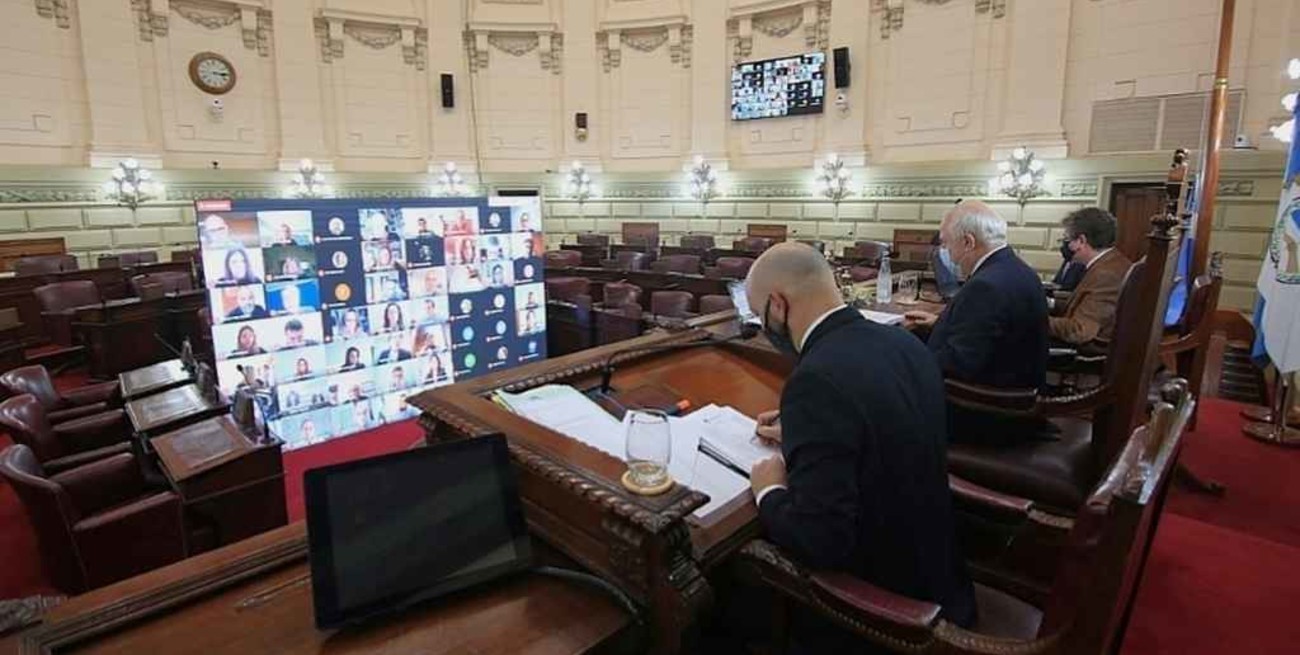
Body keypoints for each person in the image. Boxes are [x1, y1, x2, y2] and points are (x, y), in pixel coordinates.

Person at [744, 242, 975, 654]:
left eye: (760, 317)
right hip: (942, 571)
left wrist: (769, 489)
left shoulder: (816, 379)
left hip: (885, 611)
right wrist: (803, 430)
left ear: (777, 305)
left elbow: (819, 539)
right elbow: (884, 425)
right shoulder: (904, 343)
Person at [903, 200, 1048, 391]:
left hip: (983, 405)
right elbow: (986, 334)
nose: (946, 253)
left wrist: (903, 353)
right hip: (1015, 389)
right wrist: (938, 323)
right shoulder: (1016, 269)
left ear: (968, 242)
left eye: (946, 244)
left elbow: (957, 363)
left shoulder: (985, 286)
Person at [1049, 207, 1132, 345]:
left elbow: (1079, 330)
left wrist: (1031, 320)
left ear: (1081, 240)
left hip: (1089, 356)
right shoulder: (1112, 261)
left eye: (1067, 239)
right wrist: (1049, 303)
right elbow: (1084, 303)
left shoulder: (1106, 275)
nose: (1065, 245)